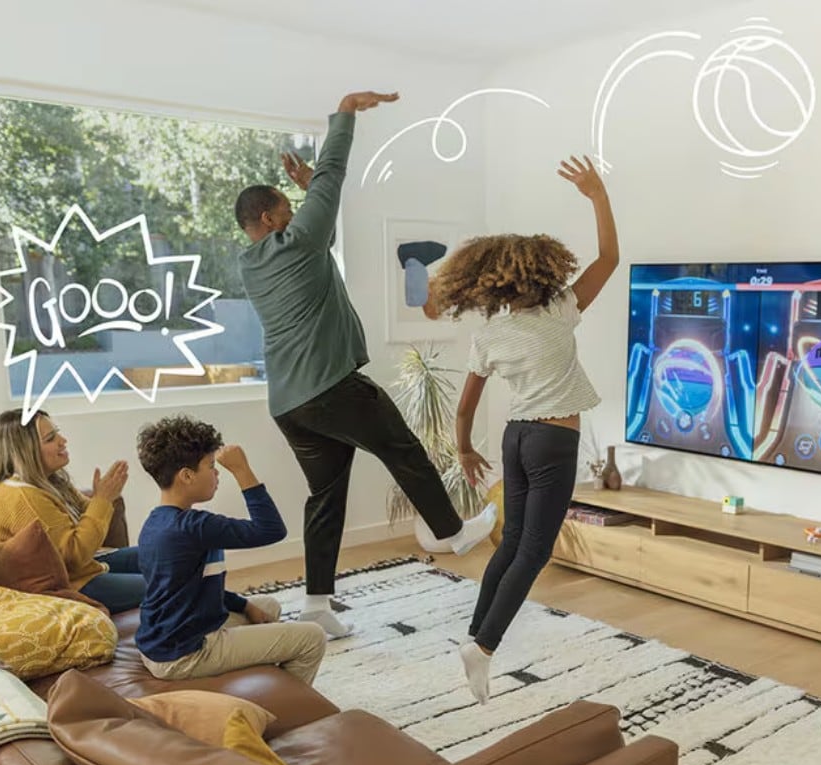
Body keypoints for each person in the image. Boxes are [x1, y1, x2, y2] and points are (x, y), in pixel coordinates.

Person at [233, 90, 497, 638]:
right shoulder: (297, 242)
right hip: (330, 388)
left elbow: (317, 231)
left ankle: (317, 606)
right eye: (287, 209)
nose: (296, 214)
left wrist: (305, 193)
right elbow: (332, 175)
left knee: (325, 498)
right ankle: (451, 532)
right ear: (269, 216)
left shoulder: (256, 261)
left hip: (288, 402)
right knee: (404, 449)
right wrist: (345, 113)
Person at [427, 155, 618, 704]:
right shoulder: (561, 308)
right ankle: (483, 648)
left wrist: (464, 451)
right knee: (533, 551)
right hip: (554, 441)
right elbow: (610, 257)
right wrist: (597, 195)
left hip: (514, 438)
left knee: (511, 544)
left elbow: (465, 408)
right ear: (544, 271)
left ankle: (474, 638)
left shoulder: (488, 330)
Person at [134, 415, 326, 684]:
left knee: (266, 605)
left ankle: (261, 683)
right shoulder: (194, 527)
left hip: (165, 640)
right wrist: (242, 470)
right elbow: (271, 529)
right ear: (187, 476)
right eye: (211, 466)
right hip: (186, 654)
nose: (217, 473)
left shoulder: (156, 523)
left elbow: (189, 589)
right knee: (312, 638)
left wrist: (245, 605)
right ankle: (281, 703)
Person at [0, 409, 144, 614]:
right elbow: (75, 555)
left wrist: (102, 500)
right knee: (165, 586)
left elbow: (85, 517)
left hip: (76, 571)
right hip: (65, 588)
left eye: (57, 432)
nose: (63, 440)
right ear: (25, 452)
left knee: (160, 552)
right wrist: (102, 501)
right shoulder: (22, 497)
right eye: (50, 439)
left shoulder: (46, 482)